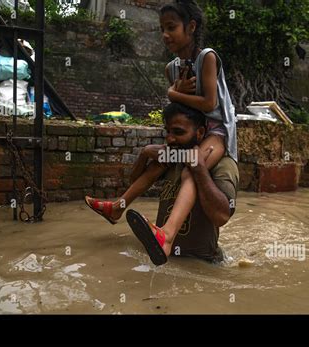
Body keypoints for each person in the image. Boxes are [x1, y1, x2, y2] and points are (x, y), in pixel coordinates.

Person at [85, 0, 238, 264]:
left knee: (193, 166)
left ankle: (165, 236)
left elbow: (210, 104)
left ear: (191, 27)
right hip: (194, 131)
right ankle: (117, 207)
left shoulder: (207, 58)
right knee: (157, 163)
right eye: (161, 29)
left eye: (171, 27)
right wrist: (175, 94)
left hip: (216, 131)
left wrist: (172, 92)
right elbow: (180, 111)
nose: (165, 35)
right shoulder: (172, 68)